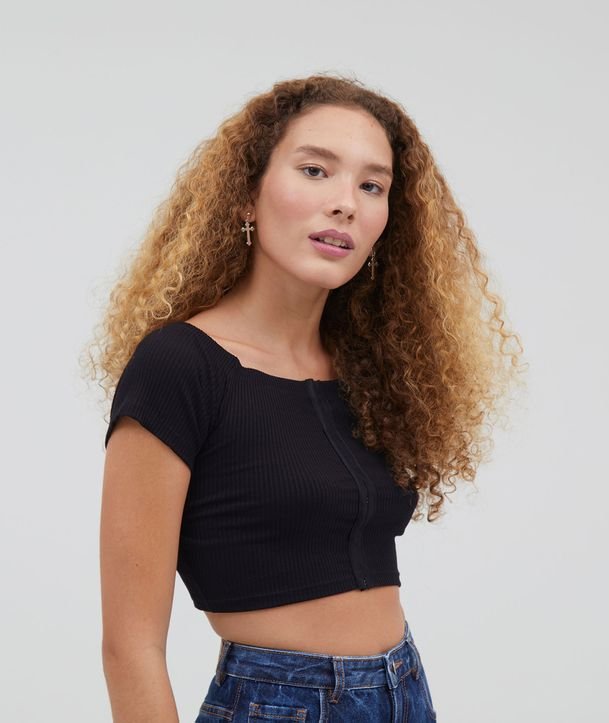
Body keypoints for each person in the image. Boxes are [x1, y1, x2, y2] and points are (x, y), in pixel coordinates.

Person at [86, 73, 525, 721]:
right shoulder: (180, 366)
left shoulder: (369, 370)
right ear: (247, 195)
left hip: (405, 688)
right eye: (316, 171)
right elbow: (130, 646)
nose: (345, 203)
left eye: (372, 185)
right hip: (282, 702)